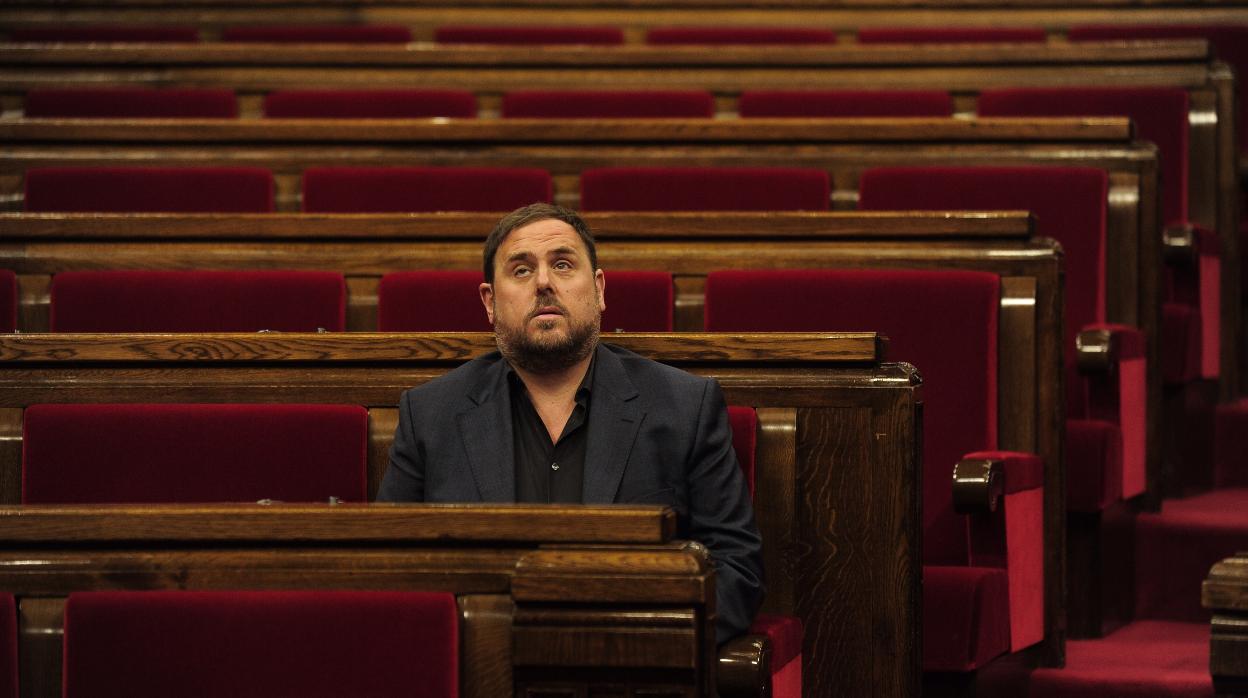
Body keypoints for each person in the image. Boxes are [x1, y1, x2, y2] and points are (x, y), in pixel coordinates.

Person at [376, 203, 763, 643]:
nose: (543, 282)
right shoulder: (430, 415)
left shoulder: (684, 406)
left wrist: (636, 646)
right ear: (490, 302)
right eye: (521, 271)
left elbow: (736, 570)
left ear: (598, 289)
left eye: (562, 264)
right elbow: (394, 573)